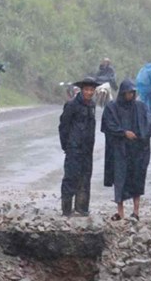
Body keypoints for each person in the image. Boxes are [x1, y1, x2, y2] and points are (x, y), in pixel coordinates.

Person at [101, 79, 151, 221]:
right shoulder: (112, 108)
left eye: (132, 93)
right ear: (122, 93)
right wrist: (123, 133)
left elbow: (150, 122)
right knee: (119, 180)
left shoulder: (140, 107)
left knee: (136, 180)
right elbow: (108, 125)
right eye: (127, 93)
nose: (130, 96)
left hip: (137, 150)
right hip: (119, 150)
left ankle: (136, 212)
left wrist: (142, 135)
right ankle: (120, 212)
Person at [58, 76, 99, 217]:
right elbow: (63, 126)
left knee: (86, 177)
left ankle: (82, 208)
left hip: (87, 149)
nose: (89, 92)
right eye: (87, 89)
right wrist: (66, 146)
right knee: (71, 177)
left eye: (92, 90)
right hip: (74, 148)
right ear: (82, 90)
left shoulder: (92, 105)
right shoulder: (72, 105)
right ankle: (66, 209)